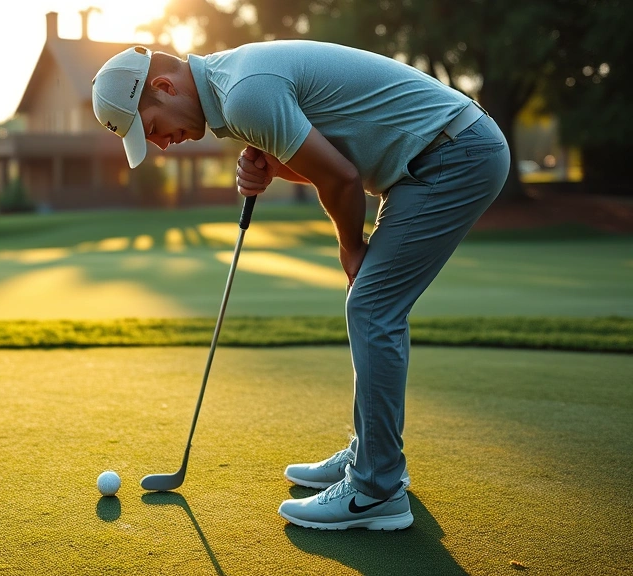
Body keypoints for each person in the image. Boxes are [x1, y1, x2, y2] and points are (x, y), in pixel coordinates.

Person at [91, 41, 510, 531]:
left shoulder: (244, 94)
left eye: (154, 129)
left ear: (164, 87)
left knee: (373, 307)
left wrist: (350, 246)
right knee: (373, 306)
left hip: (452, 153)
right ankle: (371, 456)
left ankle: (376, 488)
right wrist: (273, 166)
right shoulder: (232, 88)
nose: (162, 144)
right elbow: (327, 160)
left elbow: (343, 178)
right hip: (436, 153)